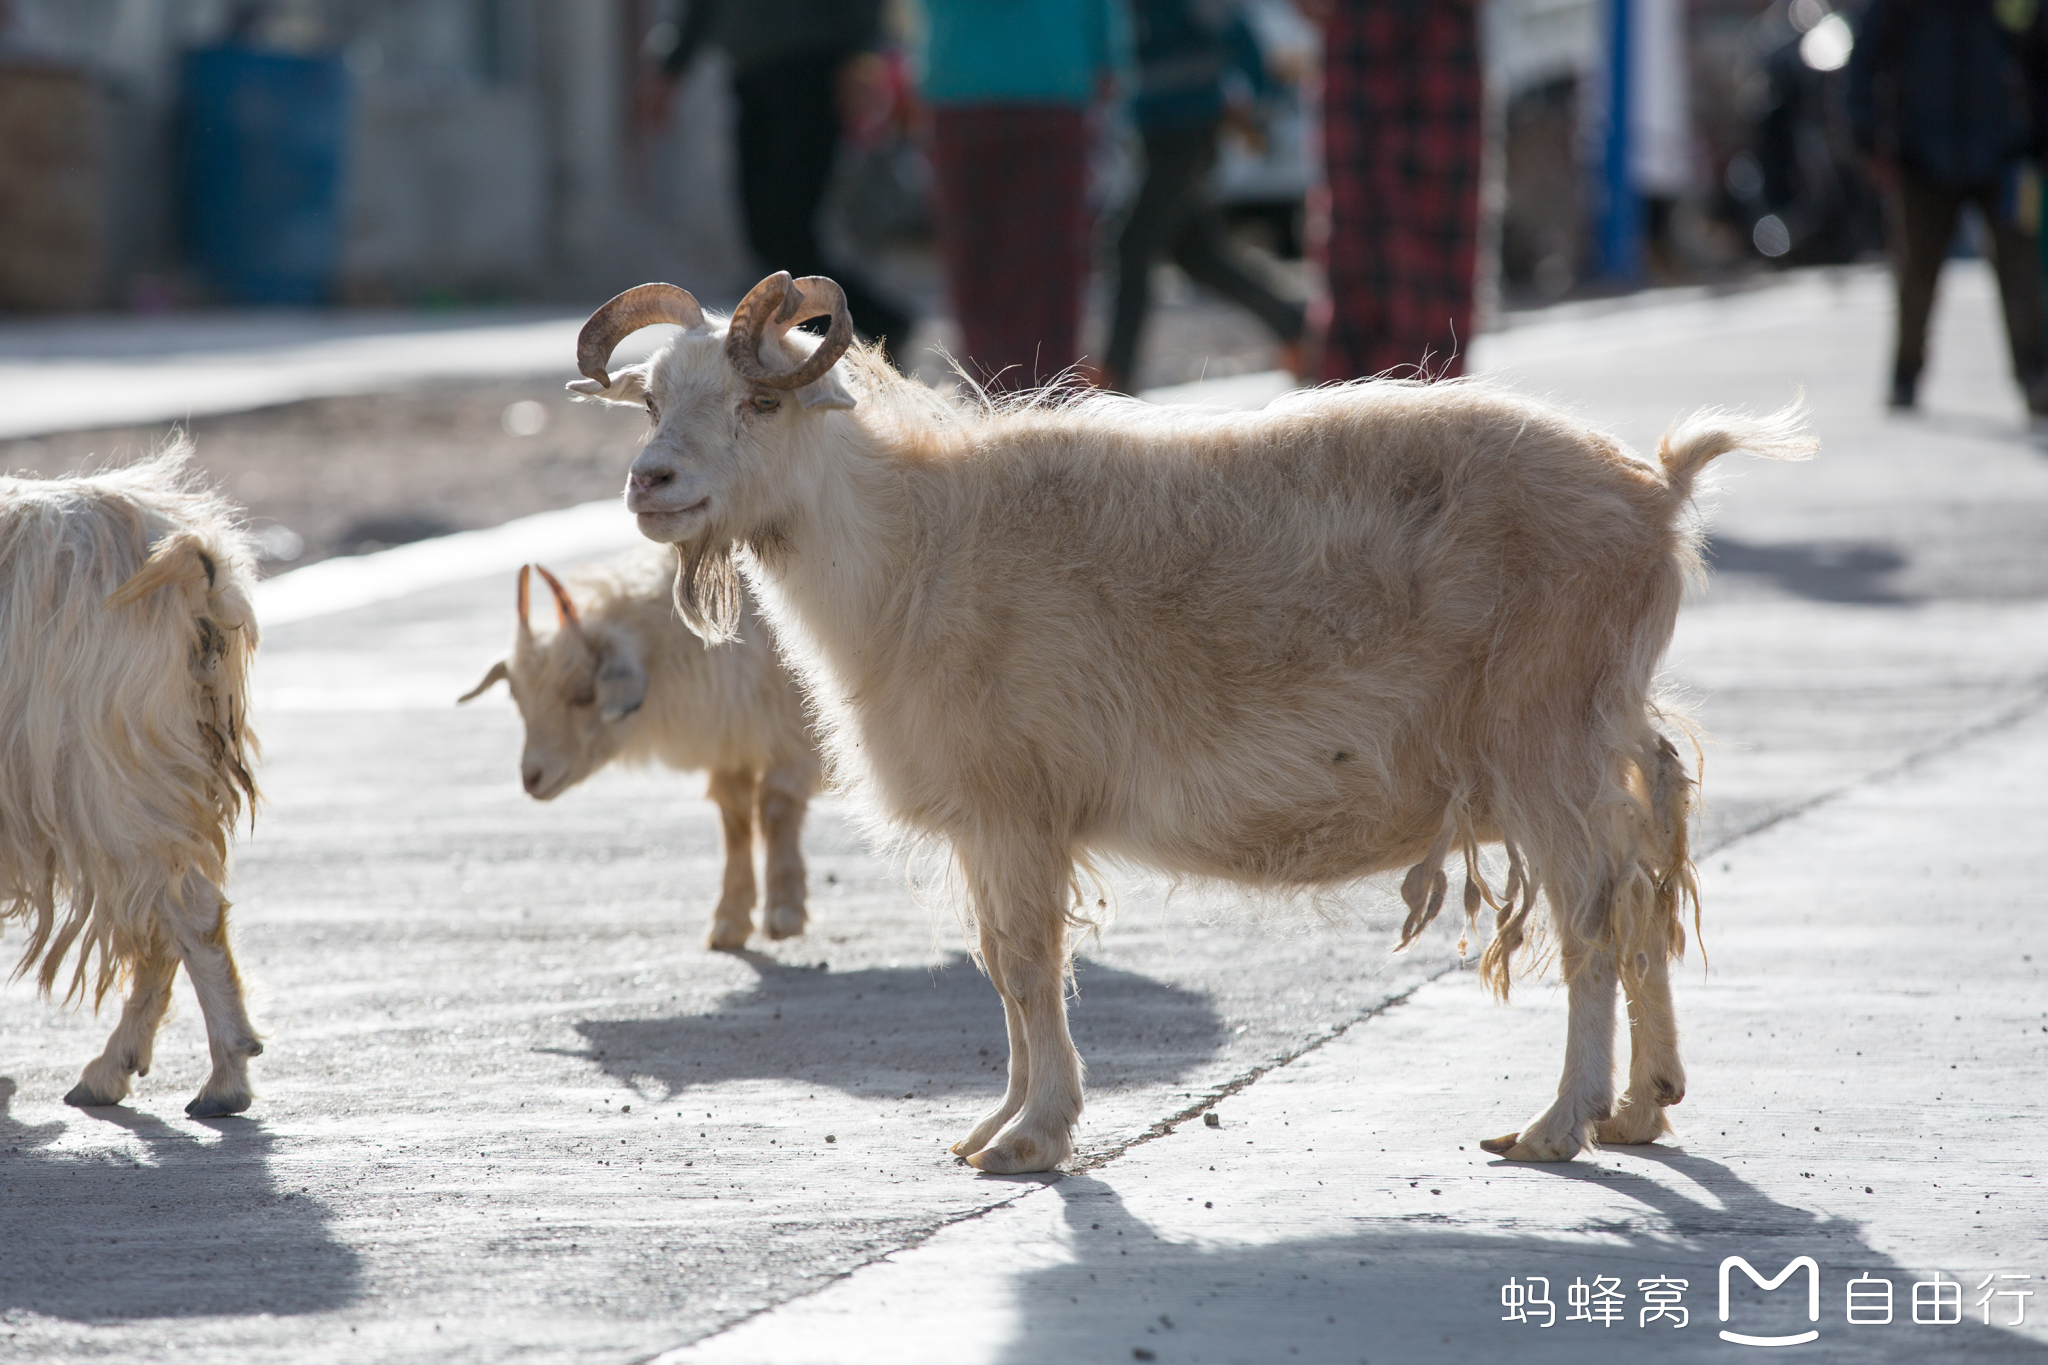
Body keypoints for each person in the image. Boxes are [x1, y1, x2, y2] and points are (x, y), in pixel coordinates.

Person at [645, 0, 914, 356]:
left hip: (813, 67)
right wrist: (670, 68)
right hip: (750, 73)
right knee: (764, 235)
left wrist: (862, 55)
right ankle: (867, 329)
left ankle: (859, 334)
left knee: (787, 230)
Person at [915, 0, 1128, 391]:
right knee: (1047, 268)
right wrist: (1108, 58)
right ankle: (1044, 402)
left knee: (977, 263)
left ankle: (1000, 399)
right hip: (1048, 77)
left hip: (964, 81)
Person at [1848, 0, 2048, 413]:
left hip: (2006, 153)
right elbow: (1865, 57)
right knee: (1915, 272)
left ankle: (2036, 375)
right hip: (1921, 153)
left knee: (2020, 268)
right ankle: (1905, 375)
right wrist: (1867, 136)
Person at [1101, 0, 1306, 394]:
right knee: (1196, 255)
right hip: (1156, 129)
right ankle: (1297, 326)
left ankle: (1116, 375)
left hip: (1190, 124)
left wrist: (1262, 101)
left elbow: (1233, 30)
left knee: (1132, 245)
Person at [1304, 0, 1483, 382]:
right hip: (1361, 24)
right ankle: (1350, 418)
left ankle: (1430, 414)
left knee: (1436, 244)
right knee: (1356, 242)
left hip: (1439, 31)